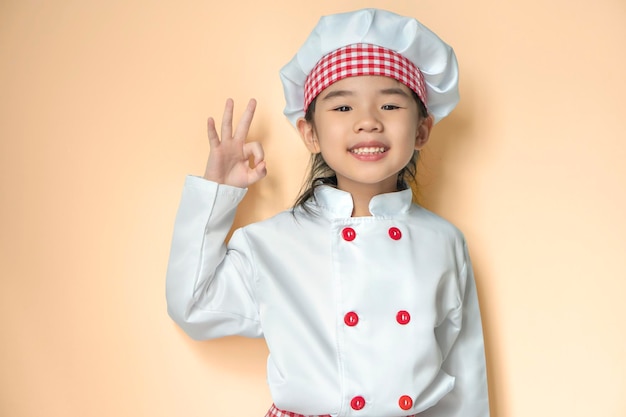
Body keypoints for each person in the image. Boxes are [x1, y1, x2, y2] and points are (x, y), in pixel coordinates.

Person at [166, 8, 489, 417]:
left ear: (422, 129)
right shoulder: (272, 243)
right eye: (342, 108)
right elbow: (192, 306)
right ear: (310, 134)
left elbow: (465, 375)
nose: (368, 122)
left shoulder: (444, 241)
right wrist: (219, 192)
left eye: (390, 106)